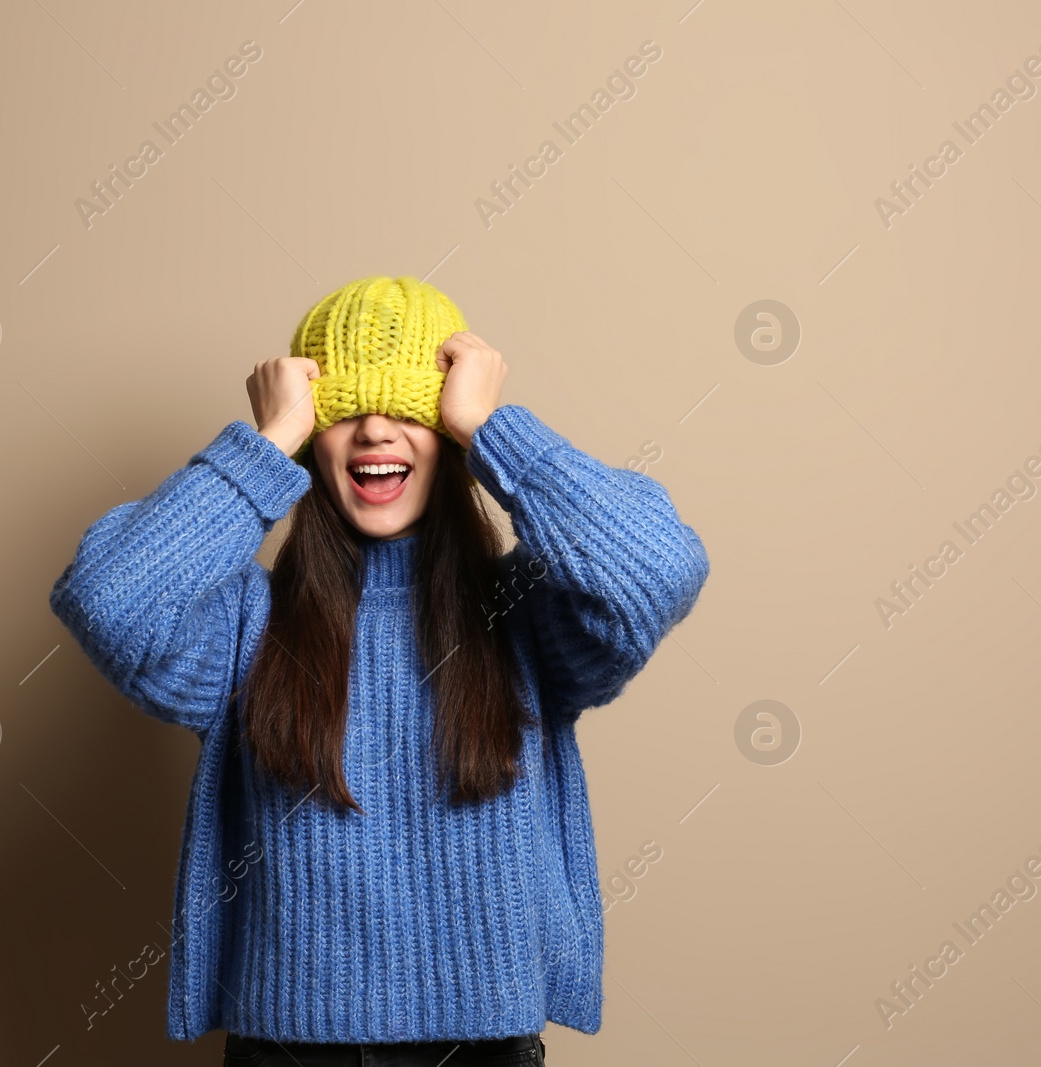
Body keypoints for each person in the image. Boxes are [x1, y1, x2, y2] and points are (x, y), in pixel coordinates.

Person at [49, 276, 710, 1066]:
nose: (374, 433)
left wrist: (494, 429)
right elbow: (107, 599)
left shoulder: (526, 615)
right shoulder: (243, 624)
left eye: (408, 411)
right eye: (342, 414)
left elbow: (661, 567)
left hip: (483, 1049)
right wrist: (265, 443)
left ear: (447, 435)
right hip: (284, 1051)